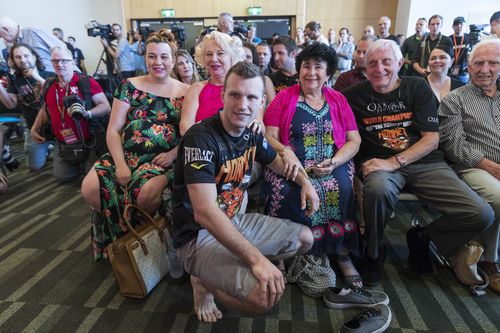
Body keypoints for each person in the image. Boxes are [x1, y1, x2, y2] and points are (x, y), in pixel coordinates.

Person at [172, 61, 318, 322]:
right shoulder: (200, 138)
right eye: (235, 95)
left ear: (261, 100)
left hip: (235, 221)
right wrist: (256, 260)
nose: (243, 105)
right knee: (262, 300)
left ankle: (226, 264)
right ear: (222, 95)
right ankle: (203, 283)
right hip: (197, 236)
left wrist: (306, 182)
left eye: (251, 97)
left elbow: (278, 163)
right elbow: (204, 212)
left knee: (306, 239)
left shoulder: (251, 133)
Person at [342, 39, 494, 286]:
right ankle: (373, 253)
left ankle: (425, 238)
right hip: (380, 167)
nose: (379, 69)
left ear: (400, 63)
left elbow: (432, 140)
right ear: (363, 68)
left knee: (480, 213)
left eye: (386, 62)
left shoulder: (417, 87)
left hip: (426, 163)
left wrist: (394, 161)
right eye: (372, 64)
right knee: (377, 190)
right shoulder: (351, 97)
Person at [80, 29, 189, 260]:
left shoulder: (187, 92)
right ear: (144, 58)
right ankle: (120, 239)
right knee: (89, 187)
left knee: (145, 194)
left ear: (173, 59)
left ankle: (139, 245)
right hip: (125, 155)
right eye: (151, 56)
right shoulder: (129, 85)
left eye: (163, 56)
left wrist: (172, 154)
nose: (157, 62)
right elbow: (113, 129)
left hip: (162, 161)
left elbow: (193, 135)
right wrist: (120, 164)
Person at [263, 43, 363, 287]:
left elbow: (354, 139)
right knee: (285, 189)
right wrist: (286, 152)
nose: (311, 72)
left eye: (318, 67)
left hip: (332, 161)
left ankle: (341, 252)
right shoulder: (283, 98)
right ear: (299, 70)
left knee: (342, 186)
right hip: (292, 163)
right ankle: (282, 254)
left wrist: (334, 162)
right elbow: (268, 135)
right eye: (306, 66)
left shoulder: (339, 100)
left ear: (328, 73)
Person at [438, 39, 500, 294]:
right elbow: (455, 147)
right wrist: (494, 168)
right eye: (479, 63)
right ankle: (489, 262)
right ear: (469, 67)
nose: (485, 69)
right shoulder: (454, 100)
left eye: (493, 63)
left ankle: (476, 244)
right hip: (472, 167)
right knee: (498, 197)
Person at [30, 47, 111, 182]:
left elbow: (106, 106)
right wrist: (34, 128)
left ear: (72, 62)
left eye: (64, 60)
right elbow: (46, 109)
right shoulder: (49, 84)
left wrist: (88, 113)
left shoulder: (86, 82)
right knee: (63, 177)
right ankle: (78, 164)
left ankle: (86, 164)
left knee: (93, 177)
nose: (59, 64)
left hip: (89, 140)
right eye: (55, 61)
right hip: (63, 142)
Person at [179, 31, 245, 136]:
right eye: (209, 54)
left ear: (232, 57)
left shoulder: (245, 88)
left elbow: (258, 126)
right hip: (202, 147)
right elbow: (185, 128)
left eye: (220, 53)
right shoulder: (196, 89)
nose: (213, 59)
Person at [0, 43, 51, 171]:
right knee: (34, 166)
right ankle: (47, 149)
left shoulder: (48, 74)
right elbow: (11, 104)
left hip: (56, 124)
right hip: (32, 125)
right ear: (13, 60)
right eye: (18, 57)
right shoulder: (15, 80)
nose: (22, 60)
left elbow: (56, 93)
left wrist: (36, 77)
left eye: (26, 55)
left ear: (34, 56)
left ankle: (52, 146)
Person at [0, 16, 66, 72]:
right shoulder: (13, 45)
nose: (3, 39)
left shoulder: (33, 32)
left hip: (55, 79)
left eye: (1, 36)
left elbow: (62, 48)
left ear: (7, 30)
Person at [449, 16, 471, 84]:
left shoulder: (470, 38)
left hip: (464, 73)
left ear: (464, 25)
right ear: (452, 26)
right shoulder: (448, 39)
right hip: (450, 72)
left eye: (461, 24)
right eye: (456, 24)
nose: (459, 26)